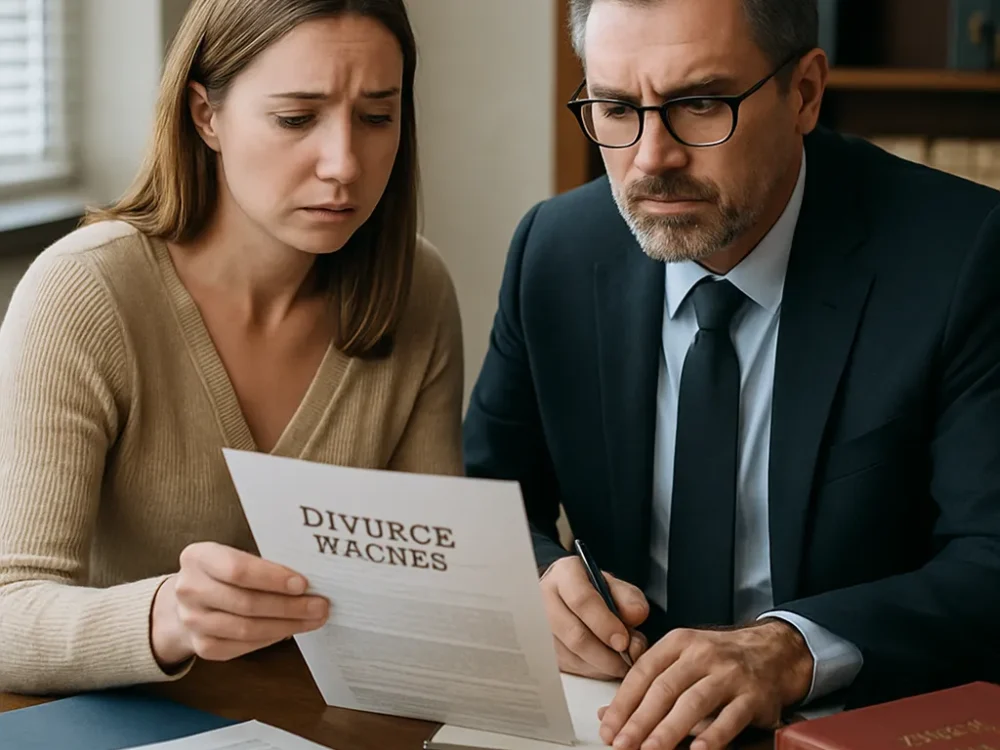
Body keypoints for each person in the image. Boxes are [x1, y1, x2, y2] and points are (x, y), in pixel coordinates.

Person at [464, 0, 1000, 748]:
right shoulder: (555, 250)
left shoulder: (963, 254)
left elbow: (990, 559)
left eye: (700, 104)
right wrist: (539, 578)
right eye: (617, 108)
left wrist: (791, 648)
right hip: (616, 720)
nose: (652, 158)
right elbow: (487, 495)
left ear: (805, 92)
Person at [0, 0, 463, 695]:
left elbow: (433, 592)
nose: (343, 164)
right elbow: (10, 612)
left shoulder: (415, 289)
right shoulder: (85, 291)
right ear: (205, 115)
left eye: (376, 117)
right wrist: (166, 616)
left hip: (327, 722)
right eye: (296, 118)